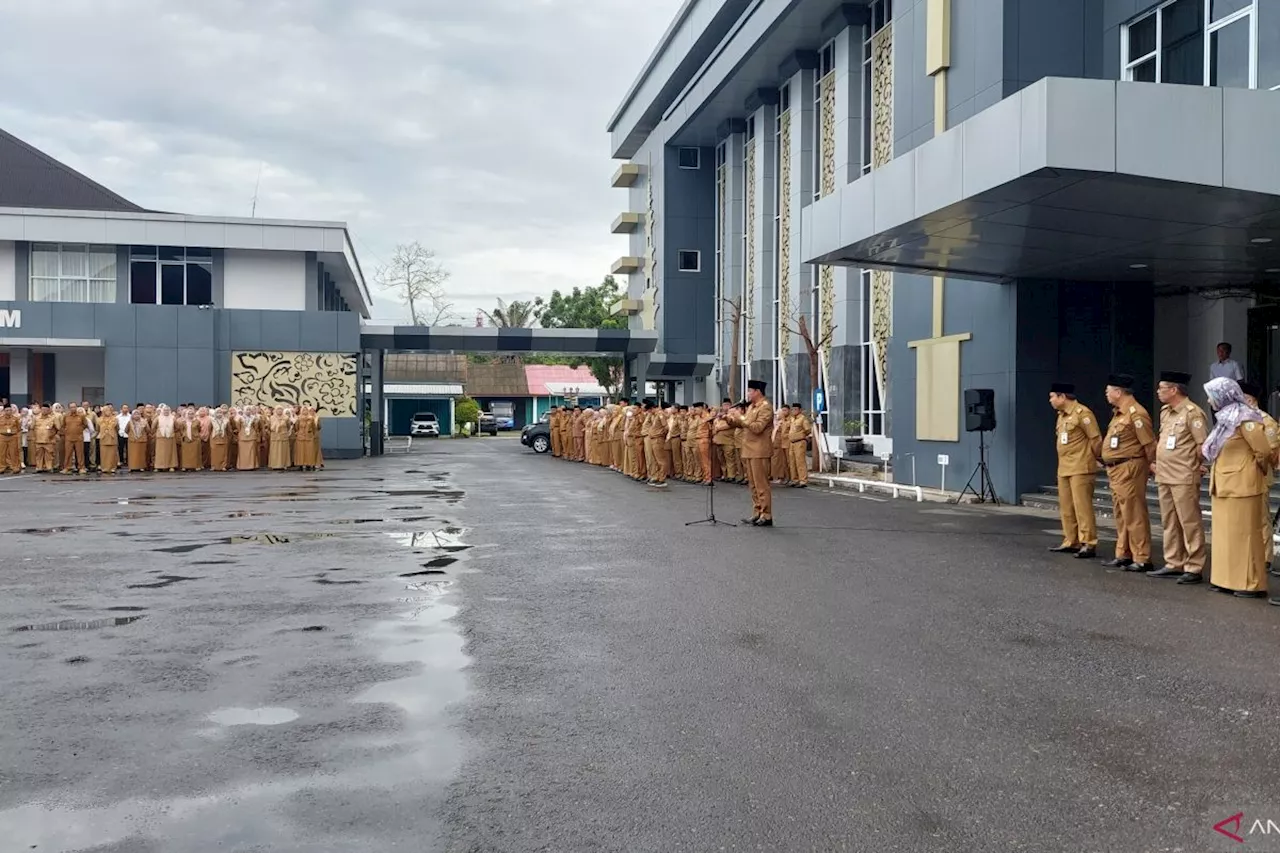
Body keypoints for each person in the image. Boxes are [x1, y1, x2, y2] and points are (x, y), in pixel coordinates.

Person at [1202, 377, 1272, 598]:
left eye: (1211, 395)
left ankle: (1250, 583)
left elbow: (1263, 451)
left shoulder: (1246, 417)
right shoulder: (1225, 418)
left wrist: (1248, 471)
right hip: (1223, 483)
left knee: (1245, 537)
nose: (1208, 399)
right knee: (1225, 536)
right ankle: (1225, 579)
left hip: (1243, 484)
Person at [1146, 371, 1210, 584]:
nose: (1158, 392)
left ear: (1174, 390)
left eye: (1161, 388)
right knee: (1169, 521)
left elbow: (1203, 446)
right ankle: (1174, 562)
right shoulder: (1166, 412)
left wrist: (1194, 464)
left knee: (1189, 522)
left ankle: (1194, 566)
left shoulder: (1193, 413)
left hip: (1183, 475)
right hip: (1164, 474)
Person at [1100, 374, 1156, 572]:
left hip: (1130, 467)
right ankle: (1124, 553)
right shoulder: (1119, 414)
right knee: (1121, 514)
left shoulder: (1136, 414)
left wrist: (1152, 464)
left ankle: (1142, 556)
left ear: (1118, 392)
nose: (1106, 395)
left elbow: (1149, 444)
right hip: (1116, 469)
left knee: (1134, 513)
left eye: (1108, 391)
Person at [1048, 382, 1102, 558]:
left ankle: (1088, 542)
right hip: (1064, 467)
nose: (1051, 400)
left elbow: (1095, 439)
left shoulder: (1083, 414)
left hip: (1081, 466)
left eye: (1052, 397)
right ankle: (1071, 540)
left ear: (1062, 396)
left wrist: (1097, 458)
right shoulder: (1061, 416)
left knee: (1082, 506)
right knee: (1067, 507)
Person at [1239, 381, 1280, 575]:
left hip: (1260, 474)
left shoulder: (1266, 421)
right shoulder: (1236, 419)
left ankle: (1265, 557)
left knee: (1261, 518)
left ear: (1249, 399)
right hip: (1238, 476)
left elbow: (1271, 451)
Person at [725, 380, 775, 526]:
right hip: (749, 449)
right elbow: (742, 424)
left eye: (749, 391)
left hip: (759, 450)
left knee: (761, 485)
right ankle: (757, 512)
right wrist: (730, 419)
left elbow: (757, 427)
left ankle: (766, 515)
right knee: (752, 485)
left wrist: (740, 417)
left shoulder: (765, 407)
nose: (747, 394)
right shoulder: (752, 407)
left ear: (757, 392)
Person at [789, 403, 811, 487]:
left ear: (800, 410)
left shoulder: (802, 419)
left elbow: (807, 430)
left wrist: (801, 435)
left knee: (800, 461)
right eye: (793, 409)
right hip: (792, 442)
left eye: (796, 409)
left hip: (800, 442)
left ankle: (803, 480)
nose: (794, 411)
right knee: (792, 461)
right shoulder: (792, 419)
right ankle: (795, 479)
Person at [61, 404, 88, 475]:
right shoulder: (66, 416)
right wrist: (66, 431)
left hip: (79, 438)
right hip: (68, 438)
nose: (73, 408)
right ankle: (67, 467)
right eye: (71, 407)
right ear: (69, 408)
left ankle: (81, 468)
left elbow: (85, 424)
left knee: (80, 454)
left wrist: (80, 429)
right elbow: (63, 425)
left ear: (76, 407)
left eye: (74, 407)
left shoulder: (81, 416)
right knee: (68, 453)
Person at [98, 404, 121, 474]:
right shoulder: (99, 419)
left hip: (112, 438)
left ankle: (112, 468)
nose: (107, 412)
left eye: (109, 410)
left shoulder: (115, 419)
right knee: (104, 454)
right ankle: (104, 468)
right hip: (103, 439)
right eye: (106, 411)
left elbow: (117, 429)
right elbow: (97, 429)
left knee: (112, 454)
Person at [0, 404, 21, 475]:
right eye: (7, 410)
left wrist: (14, 434)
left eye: (10, 410)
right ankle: (1, 468)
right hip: (2, 436)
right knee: (2, 453)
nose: (8, 411)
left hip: (12, 437)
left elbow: (18, 428)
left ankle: (15, 467)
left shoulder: (15, 418)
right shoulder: (0, 418)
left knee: (14, 452)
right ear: (4, 411)